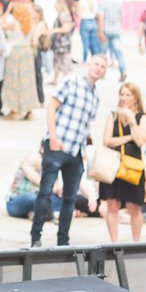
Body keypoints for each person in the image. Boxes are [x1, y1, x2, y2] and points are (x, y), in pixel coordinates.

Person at [31, 55, 108, 248]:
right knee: (46, 191)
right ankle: (36, 236)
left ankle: (63, 240)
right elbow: (51, 108)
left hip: (75, 152)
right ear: (88, 65)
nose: (99, 69)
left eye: (103, 67)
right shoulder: (71, 82)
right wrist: (53, 137)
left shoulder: (95, 96)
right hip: (58, 145)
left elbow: (85, 127)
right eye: (96, 64)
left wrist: (82, 151)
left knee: (70, 197)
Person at [99, 82, 146, 243]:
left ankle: (136, 242)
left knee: (134, 206)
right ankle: (114, 242)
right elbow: (107, 141)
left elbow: (141, 141)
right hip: (113, 165)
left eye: (128, 95)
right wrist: (128, 137)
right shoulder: (113, 115)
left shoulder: (143, 117)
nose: (124, 98)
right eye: (122, 94)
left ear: (136, 98)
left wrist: (131, 119)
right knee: (112, 205)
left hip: (133, 165)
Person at [50, 0, 74, 84]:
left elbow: (66, 28)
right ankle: (56, 79)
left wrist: (54, 30)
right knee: (57, 60)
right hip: (60, 43)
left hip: (63, 43)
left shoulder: (63, 15)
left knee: (64, 61)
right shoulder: (60, 14)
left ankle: (65, 79)